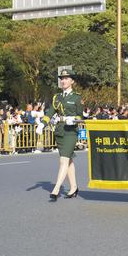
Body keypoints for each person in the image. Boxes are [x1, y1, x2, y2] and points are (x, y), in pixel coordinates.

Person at [42, 68, 84, 201]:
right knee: (69, 161)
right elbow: (51, 112)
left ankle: (56, 189)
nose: (63, 81)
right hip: (60, 130)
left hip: (71, 131)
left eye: (66, 78)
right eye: (62, 79)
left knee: (63, 160)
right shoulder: (57, 97)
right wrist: (43, 123)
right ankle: (74, 187)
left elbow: (80, 116)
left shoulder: (77, 97)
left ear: (72, 81)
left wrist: (73, 119)